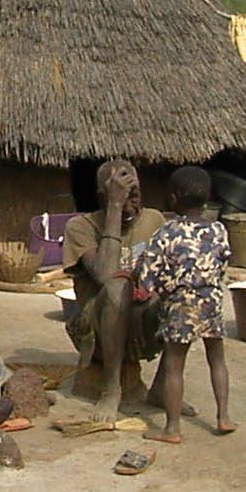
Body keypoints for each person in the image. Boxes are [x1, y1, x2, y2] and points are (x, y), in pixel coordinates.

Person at [61, 158, 169, 423]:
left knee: (188, 296)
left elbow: (165, 276)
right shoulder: (80, 227)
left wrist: (147, 303)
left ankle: (161, 387)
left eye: (134, 194)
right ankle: (111, 389)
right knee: (116, 285)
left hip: (140, 321)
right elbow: (105, 275)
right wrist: (115, 209)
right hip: (95, 328)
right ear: (103, 196)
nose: (130, 202)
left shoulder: (154, 220)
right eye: (122, 195)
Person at [135, 165, 235, 443]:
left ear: (173, 198)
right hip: (211, 301)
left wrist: (150, 289)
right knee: (217, 359)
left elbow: (147, 274)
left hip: (181, 304)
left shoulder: (167, 232)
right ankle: (223, 416)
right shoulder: (218, 229)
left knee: (174, 366)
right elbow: (223, 262)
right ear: (208, 198)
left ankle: (172, 428)